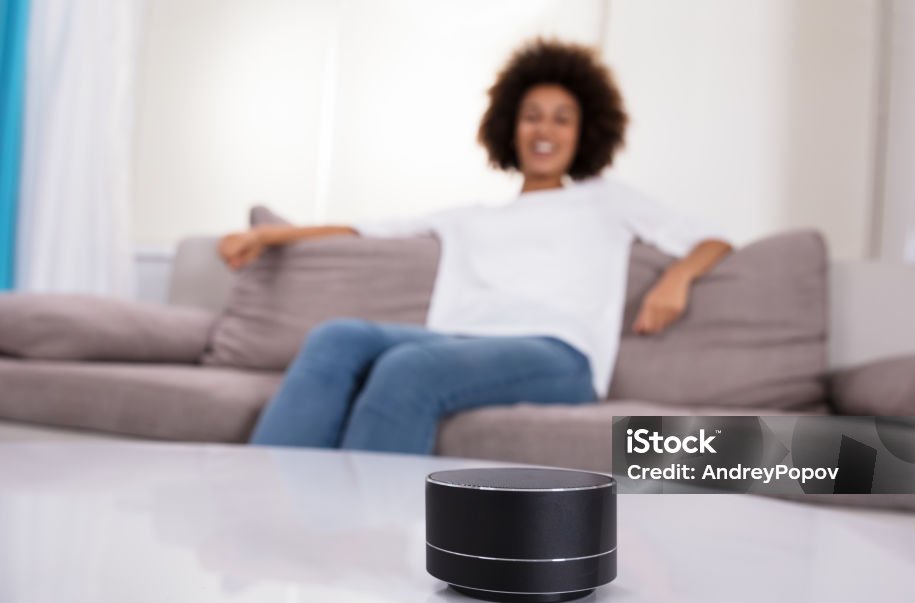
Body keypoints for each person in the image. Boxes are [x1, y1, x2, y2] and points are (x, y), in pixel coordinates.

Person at [218, 38, 732, 454]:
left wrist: (677, 278)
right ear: (511, 127)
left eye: (561, 117)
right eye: (532, 115)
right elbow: (365, 228)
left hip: (559, 353)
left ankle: (366, 550)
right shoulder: (467, 219)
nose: (544, 129)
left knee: (407, 370)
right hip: (457, 342)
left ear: (585, 132)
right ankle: (257, 516)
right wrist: (266, 235)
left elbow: (713, 240)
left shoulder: (608, 201)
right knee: (337, 337)